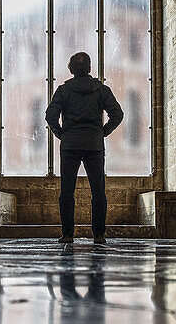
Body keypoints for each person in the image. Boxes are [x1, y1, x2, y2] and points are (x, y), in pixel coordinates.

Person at [44, 52, 124, 244]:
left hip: (70, 144)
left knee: (67, 191)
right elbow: (118, 114)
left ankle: (67, 234)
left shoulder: (63, 91)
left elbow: (50, 116)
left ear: (71, 69)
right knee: (98, 191)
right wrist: (102, 132)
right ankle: (98, 235)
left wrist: (61, 134)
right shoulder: (101, 90)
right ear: (89, 68)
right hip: (94, 145)